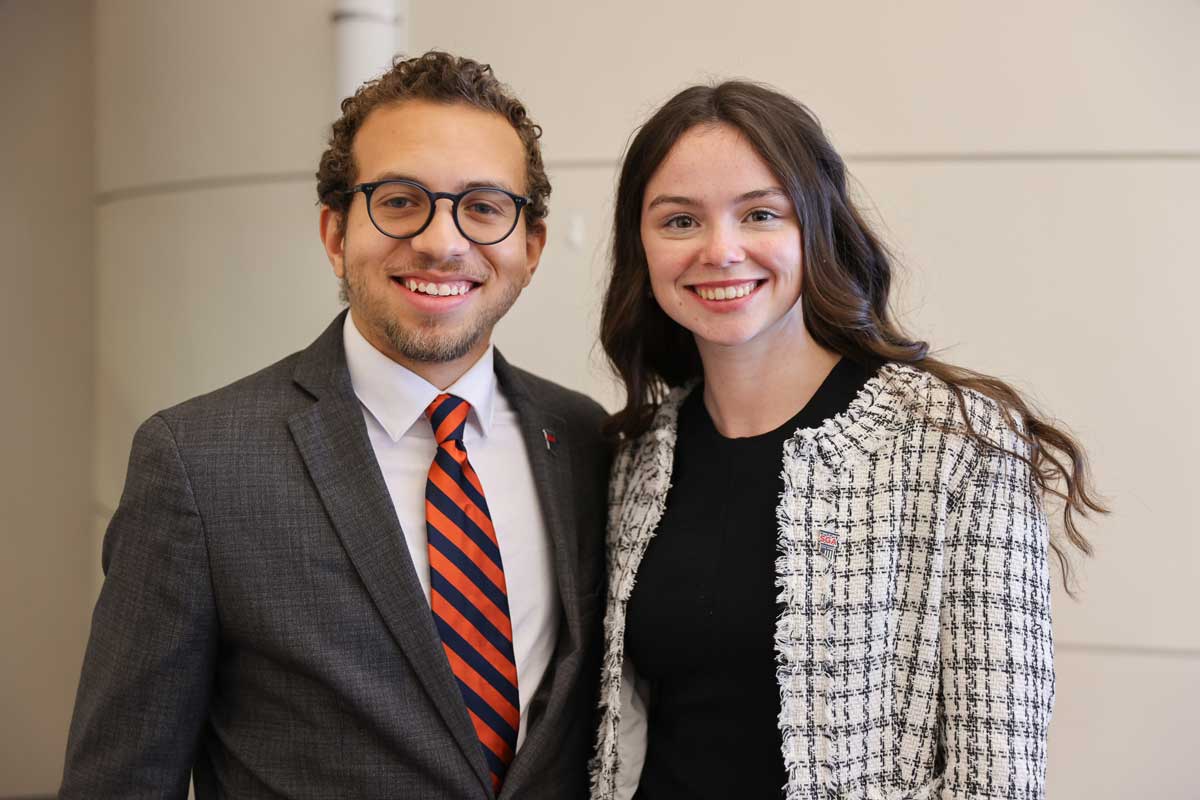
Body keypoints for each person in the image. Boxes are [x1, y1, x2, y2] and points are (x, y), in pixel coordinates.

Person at [60, 51, 609, 799]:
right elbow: (121, 781)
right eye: (400, 200)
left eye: (483, 206)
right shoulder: (199, 464)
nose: (443, 241)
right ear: (334, 232)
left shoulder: (585, 440)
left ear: (530, 247)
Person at [589, 82, 1102, 800]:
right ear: (640, 247)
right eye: (679, 221)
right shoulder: (633, 459)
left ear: (817, 228)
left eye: (761, 213)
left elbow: (997, 783)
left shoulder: (957, 441)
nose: (721, 250)